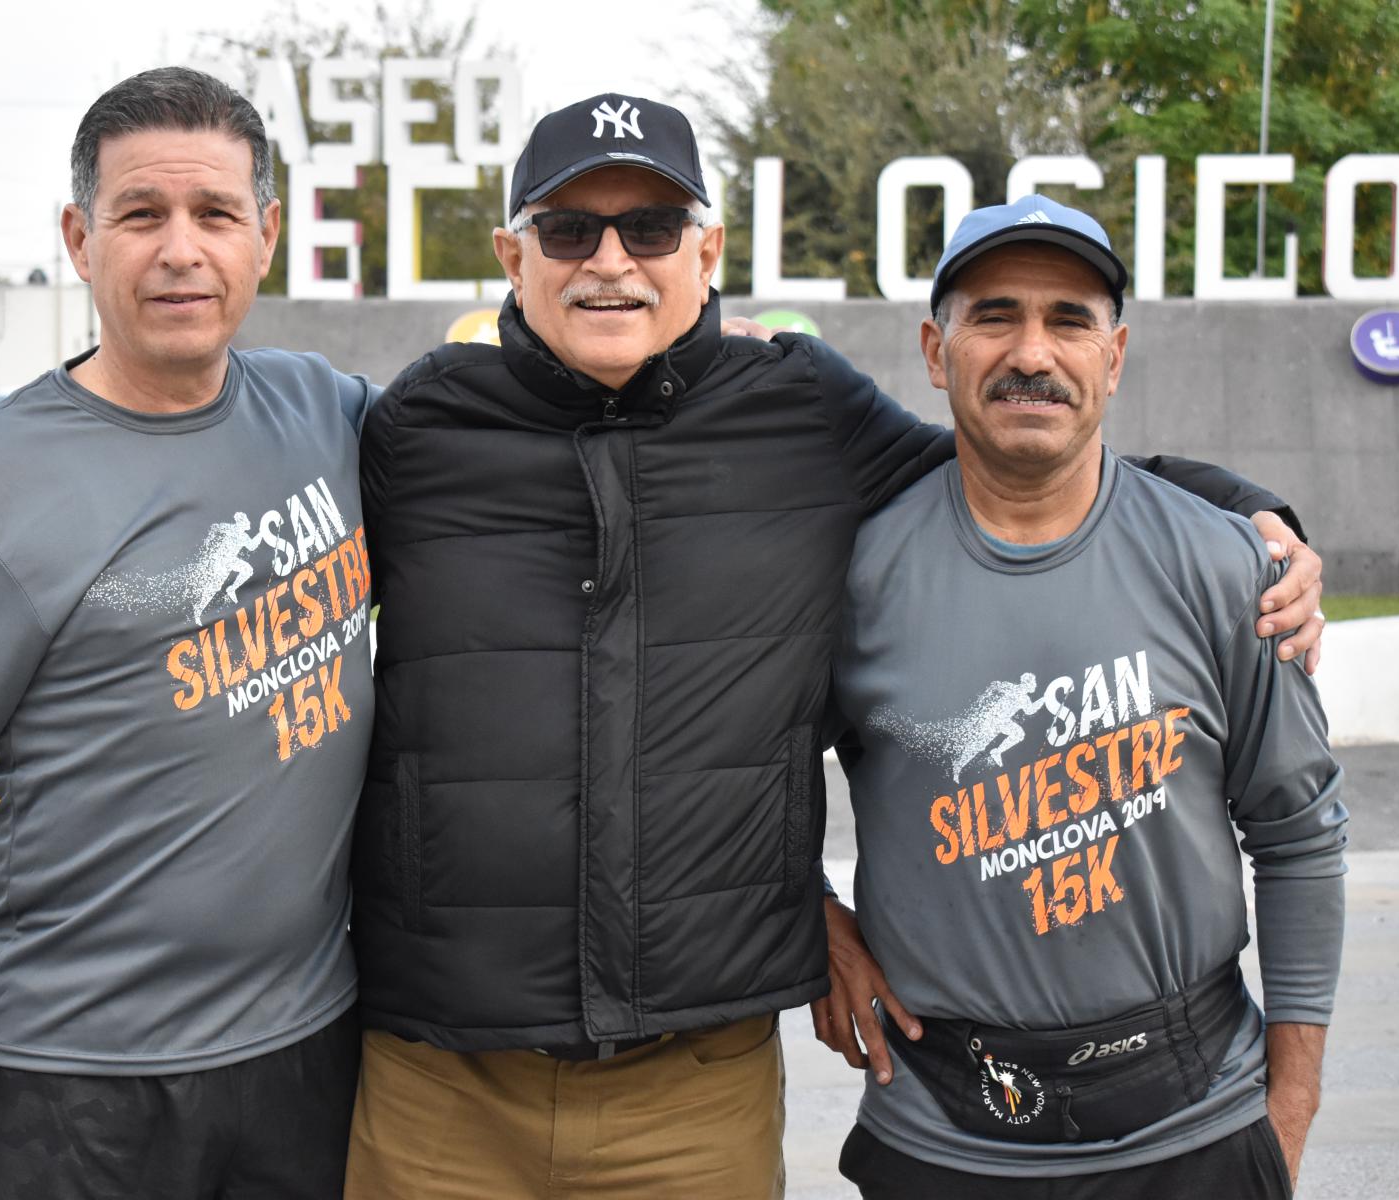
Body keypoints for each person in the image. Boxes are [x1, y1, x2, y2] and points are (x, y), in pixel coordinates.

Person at [341, 96, 1325, 1197]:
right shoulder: (411, 431)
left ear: (706, 251)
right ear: (510, 254)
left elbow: (1014, 452)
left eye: (652, 227)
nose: (610, 260)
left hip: (692, 1078)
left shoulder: (801, 408)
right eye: (570, 228)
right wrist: (810, 905)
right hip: (436, 1078)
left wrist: (1245, 518)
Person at [0, 68, 376, 1200]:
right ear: (78, 235)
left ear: (264, 235)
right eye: (139, 214)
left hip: (313, 1048)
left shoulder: (325, 411)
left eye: (213, 215)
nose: (179, 250)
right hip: (79, 1083)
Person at [813, 197, 1347, 1199]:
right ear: (936, 350)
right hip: (939, 1138)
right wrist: (813, 913)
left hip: (1199, 1131)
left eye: (1068, 320)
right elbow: (726, 773)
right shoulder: (851, 579)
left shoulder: (1230, 565)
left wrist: (1290, 1109)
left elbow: (1300, 833)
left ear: (1114, 355)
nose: (1031, 351)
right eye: (994, 315)